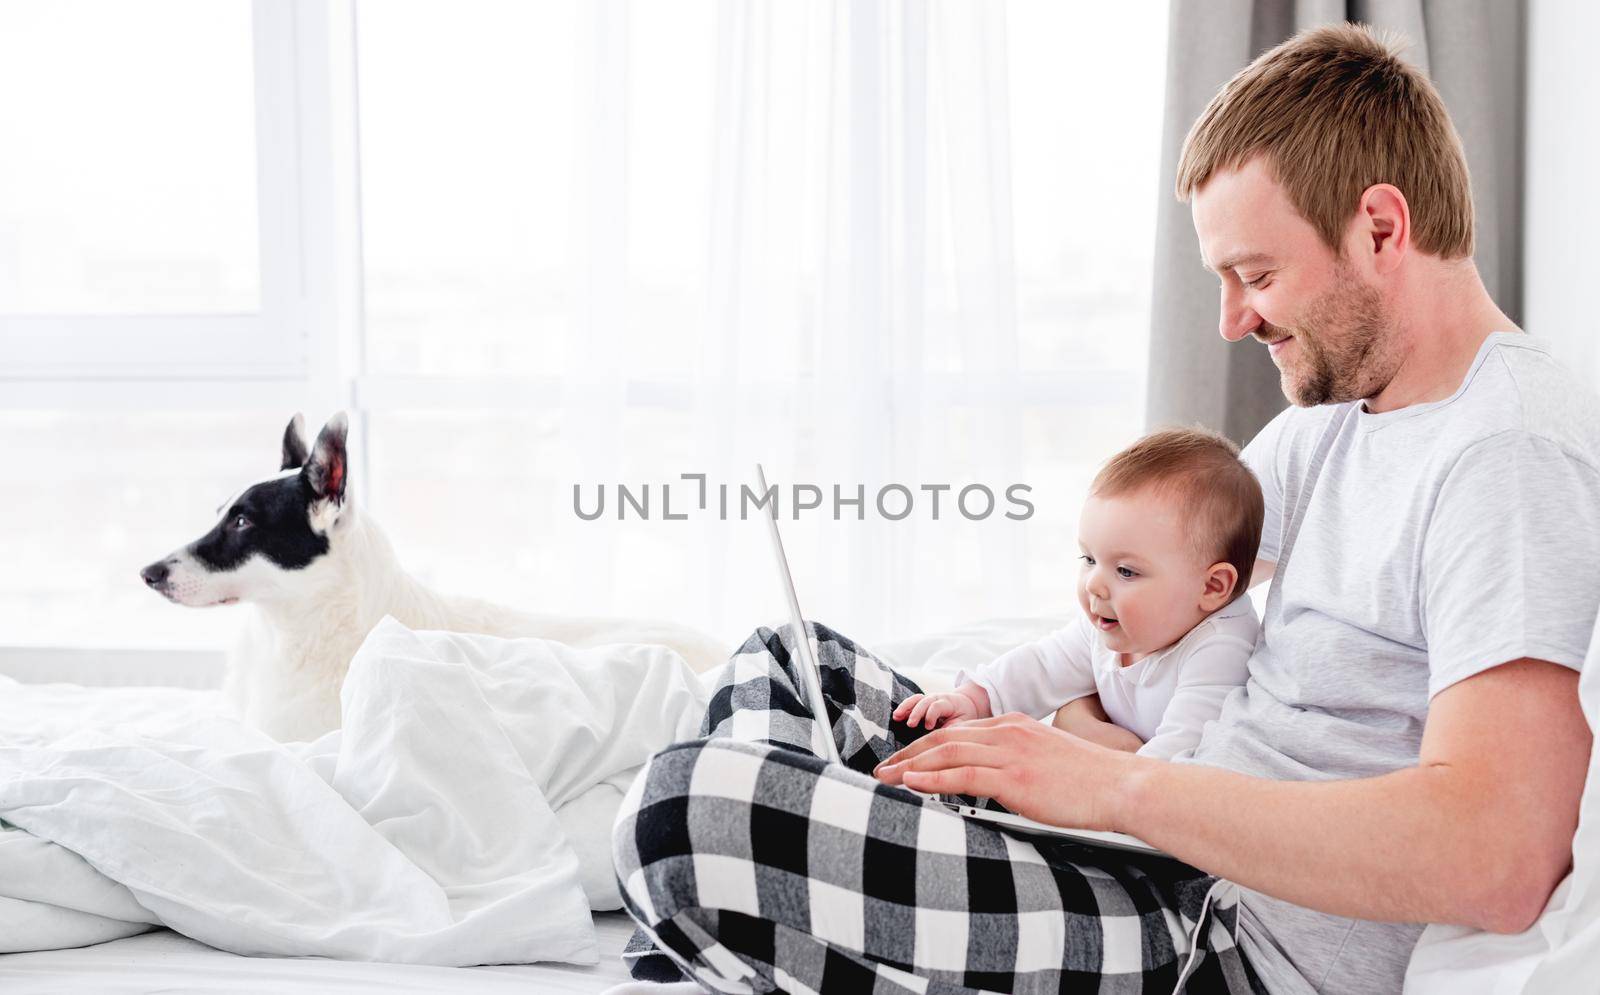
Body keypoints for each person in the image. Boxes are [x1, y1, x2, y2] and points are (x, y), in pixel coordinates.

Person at [613, 22, 1600, 994]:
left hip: (1216, 933)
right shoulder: (1335, 421)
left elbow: (1497, 855)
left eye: (1255, 275)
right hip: (1156, 842)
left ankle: (717, 924)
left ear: (1380, 228)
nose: (1231, 320)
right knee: (791, 665)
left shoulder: (1504, 454)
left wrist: (1119, 788)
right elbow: (1158, 593)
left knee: (677, 813)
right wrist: (1082, 739)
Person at [896, 427, 1263, 763]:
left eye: (1126, 571)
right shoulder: (1110, 624)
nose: (1094, 585)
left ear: (1213, 587)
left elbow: (1180, 759)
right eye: (1088, 558)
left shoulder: (1219, 649)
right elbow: (1043, 666)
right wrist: (974, 700)